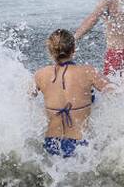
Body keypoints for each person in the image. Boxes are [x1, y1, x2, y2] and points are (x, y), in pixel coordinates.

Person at [34, 29, 108, 157]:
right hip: (79, 143)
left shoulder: (40, 74)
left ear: (50, 51)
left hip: (51, 142)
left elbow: (23, 97)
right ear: (73, 48)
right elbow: (113, 90)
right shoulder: (87, 72)